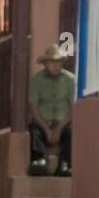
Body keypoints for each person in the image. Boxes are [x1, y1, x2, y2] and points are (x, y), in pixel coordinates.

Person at [28, 44, 75, 177]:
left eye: (59, 62)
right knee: (33, 130)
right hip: (43, 122)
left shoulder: (70, 80)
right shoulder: (36, 81)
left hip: (63, 122)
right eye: (52, 62)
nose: (56, 65)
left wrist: (59, 128)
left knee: (71, 132)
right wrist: (47, 130)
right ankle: (39, 160)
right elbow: (33, 107)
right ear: (45, 64)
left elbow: (73, 108)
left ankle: (64, 164)